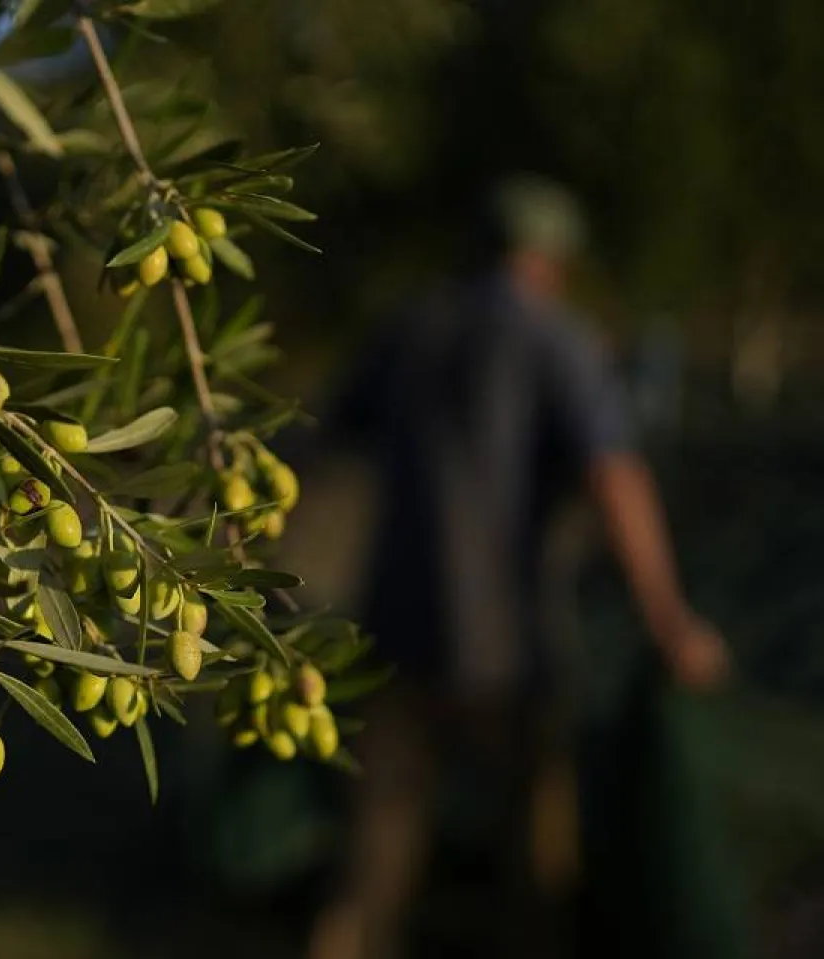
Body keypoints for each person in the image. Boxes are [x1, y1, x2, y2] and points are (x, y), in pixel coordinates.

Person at [305, 176, 730, 959]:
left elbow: (325, 443)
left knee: (374, 855)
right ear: (549, 260)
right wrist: (668, 618)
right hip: (507, 642)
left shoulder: (409, 328)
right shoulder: (557, 339)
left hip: (393, 628)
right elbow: (618, 478)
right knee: (531, 858)